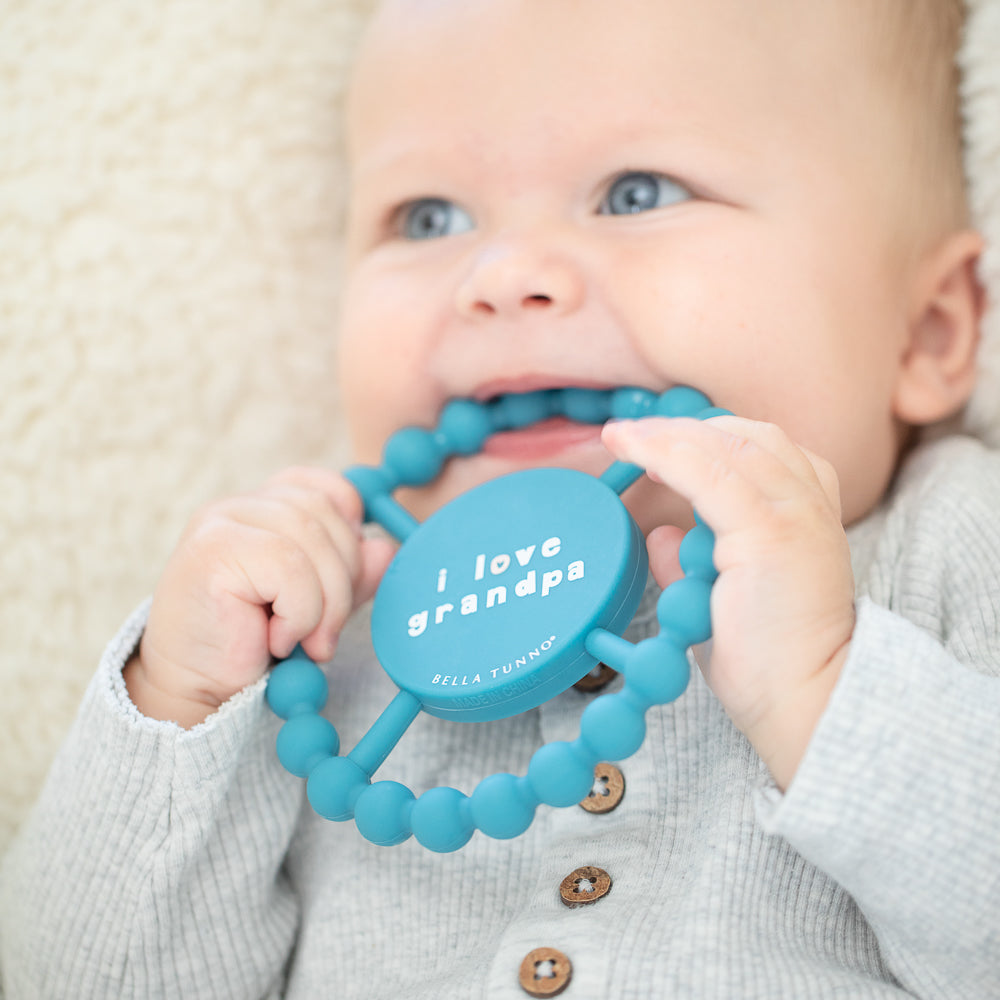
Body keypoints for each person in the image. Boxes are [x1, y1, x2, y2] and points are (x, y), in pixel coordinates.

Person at [2, 0, 999, 996]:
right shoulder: (319, 636)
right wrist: (181, 702)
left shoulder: (948, 540)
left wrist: (827, 688)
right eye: (428, 218)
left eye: (637, 193)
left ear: (929, 332)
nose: (504, 273)